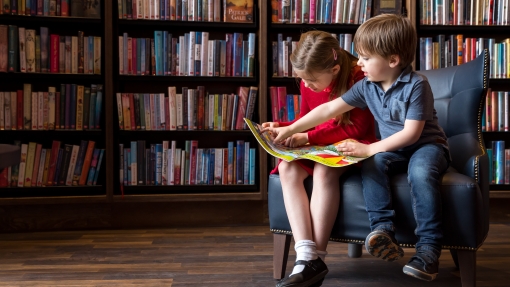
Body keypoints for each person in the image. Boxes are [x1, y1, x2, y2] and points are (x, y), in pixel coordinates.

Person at [263, 14, 450, 283]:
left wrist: (370, 149)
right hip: (391, 149)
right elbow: (328, 109)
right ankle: (383, 231)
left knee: (419, 172)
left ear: (393, 61)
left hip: (426, 147)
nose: (358, 62)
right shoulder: (367, 86)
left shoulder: (417, 85)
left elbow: (412, 134)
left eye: (364, 57)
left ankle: (428, 250)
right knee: (373, 166)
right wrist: (290, 129)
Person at [263, 31, 377, 287]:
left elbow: (356, 129)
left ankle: (317, 258)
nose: (307, 84)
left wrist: (305, 137)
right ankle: (306, 257)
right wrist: (283, 126)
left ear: (335, 69)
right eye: (301, 79)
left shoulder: (360, 77)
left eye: (311, 79)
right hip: (320, 141)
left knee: (324, 171)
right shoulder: (308, 80)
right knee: (288, 168)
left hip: (353, 143)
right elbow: (308, 119)